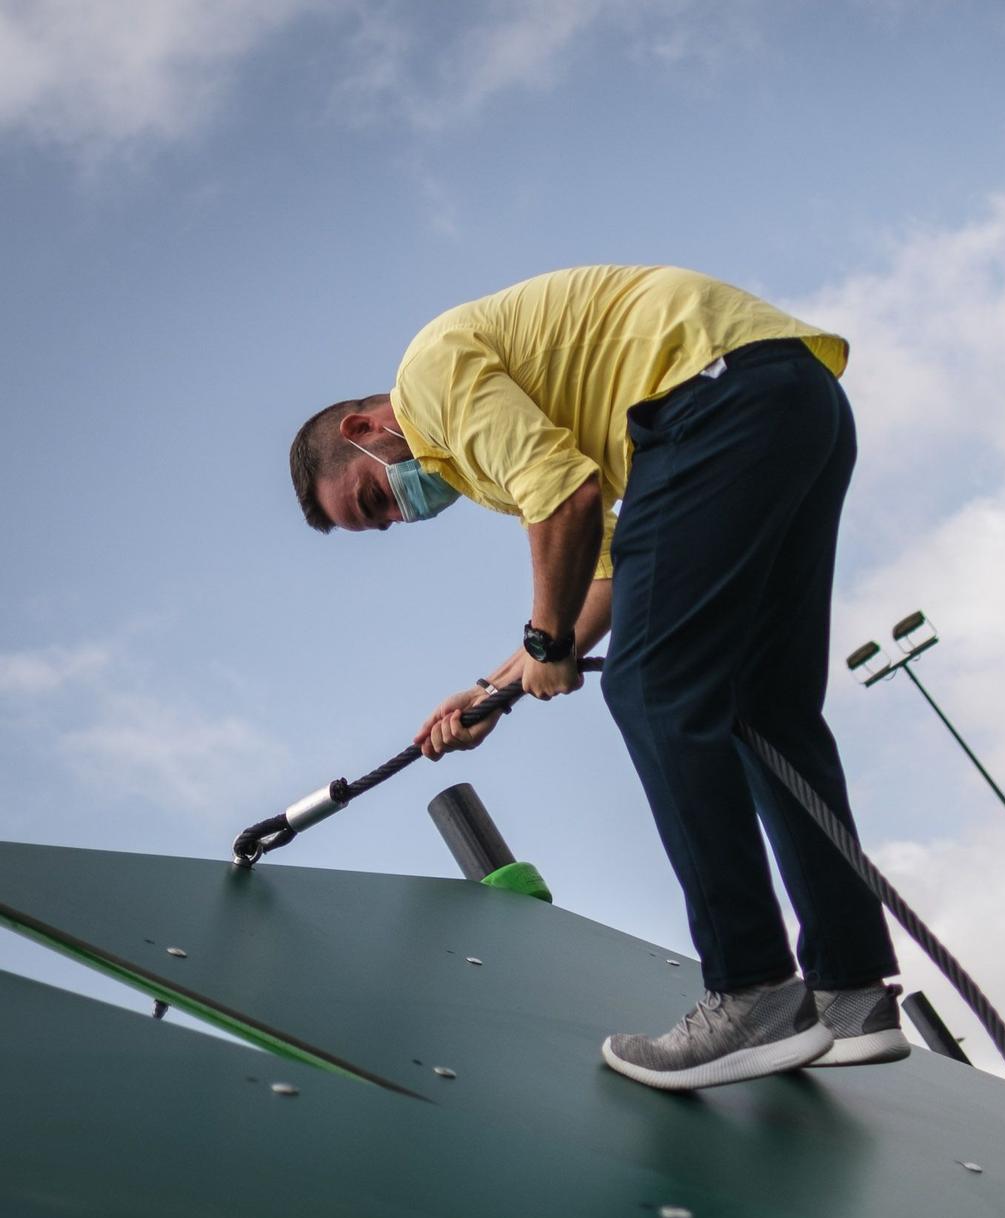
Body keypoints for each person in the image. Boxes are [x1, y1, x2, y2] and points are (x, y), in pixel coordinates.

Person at [289, 265, 907, 1091]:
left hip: (707, 403)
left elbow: (568, 499)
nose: (399, 514)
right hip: (790, 397)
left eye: (374, 498)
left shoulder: (429, 375)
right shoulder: (484, 455)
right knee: (769, 707)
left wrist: (544, 642)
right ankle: (853, 990)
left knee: (651, 688)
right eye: (382, 522)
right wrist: (498, 688)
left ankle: (752, 987)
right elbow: (617, 568)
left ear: (365, 427)